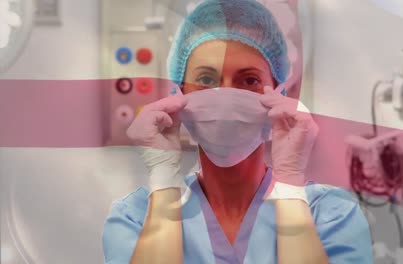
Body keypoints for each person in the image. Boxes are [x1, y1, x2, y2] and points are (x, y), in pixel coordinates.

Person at [102, 0, 373, 263]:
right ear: (179, 95)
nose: (226, 95)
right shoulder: (135, 217)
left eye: (249, 80)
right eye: (206, 79)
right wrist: (164, 181)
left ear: (279, 94)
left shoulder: (331, 214)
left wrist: (290, 183)